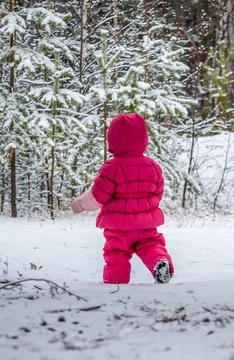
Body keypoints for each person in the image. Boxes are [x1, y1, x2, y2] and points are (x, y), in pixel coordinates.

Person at [71, 113, 174, 284]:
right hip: (145, 225)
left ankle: (116, 284)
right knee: (151, 245)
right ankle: (160, 262)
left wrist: (80, 203)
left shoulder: (111, 169)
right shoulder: (153, 167)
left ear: (112, 140)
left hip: (118, 228)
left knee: (116, 254)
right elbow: (158, 194)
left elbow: (97, 197)